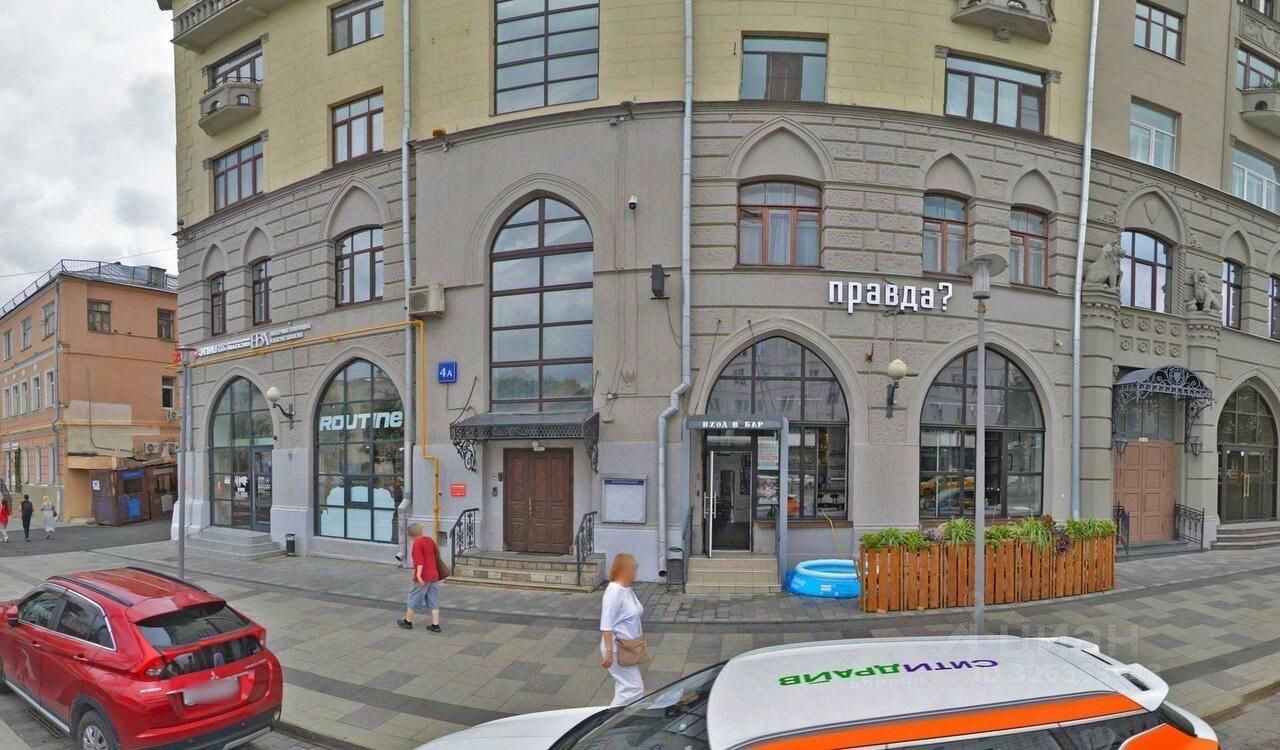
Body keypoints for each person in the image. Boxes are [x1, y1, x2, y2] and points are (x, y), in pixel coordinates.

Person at [600, 553, 645, 707]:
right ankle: (612, 718)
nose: (636, 569)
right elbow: (606, 624)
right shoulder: (614, 591)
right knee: (634, 688)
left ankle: (624, 716)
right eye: (633, 567)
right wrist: (609, 652)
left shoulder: (627, 589)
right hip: (616, 648)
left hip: (628, 647)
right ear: (623, 569)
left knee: (626, 688)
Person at [397, 523, 442, 632]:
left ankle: (408, 622)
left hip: (423, 576)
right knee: (433, 599)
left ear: (410, 535)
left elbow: (419, 562)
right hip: (434, 575)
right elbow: (436, 555)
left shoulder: (417, 543)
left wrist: (418, 576)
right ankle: (435, 625)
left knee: (413, 597)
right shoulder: (429, 540)